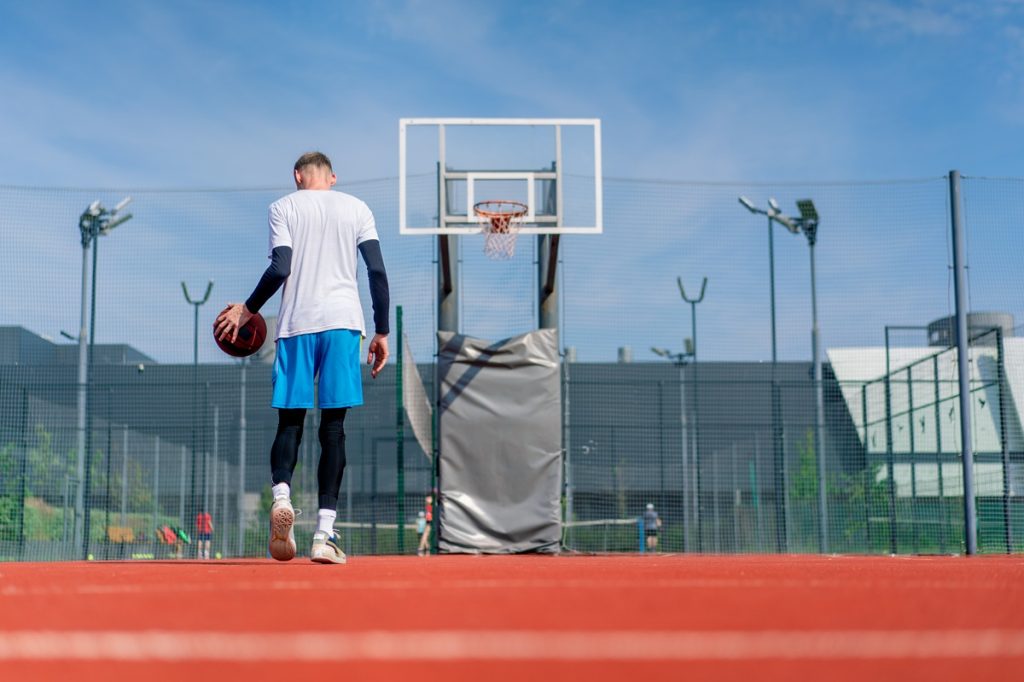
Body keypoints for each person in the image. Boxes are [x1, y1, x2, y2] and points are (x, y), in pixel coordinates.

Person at [215, 151, 389, 565]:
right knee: (334, 429)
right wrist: (381, 331)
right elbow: (377, 272)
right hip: (343, 324)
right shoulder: (357, 208)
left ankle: (281, 497)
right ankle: (324, 535)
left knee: (290, 421)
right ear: (333, 177)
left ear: (297, 176)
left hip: (296, 324)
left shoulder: (283, 207)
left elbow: (280, 267)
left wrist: (249, 309)